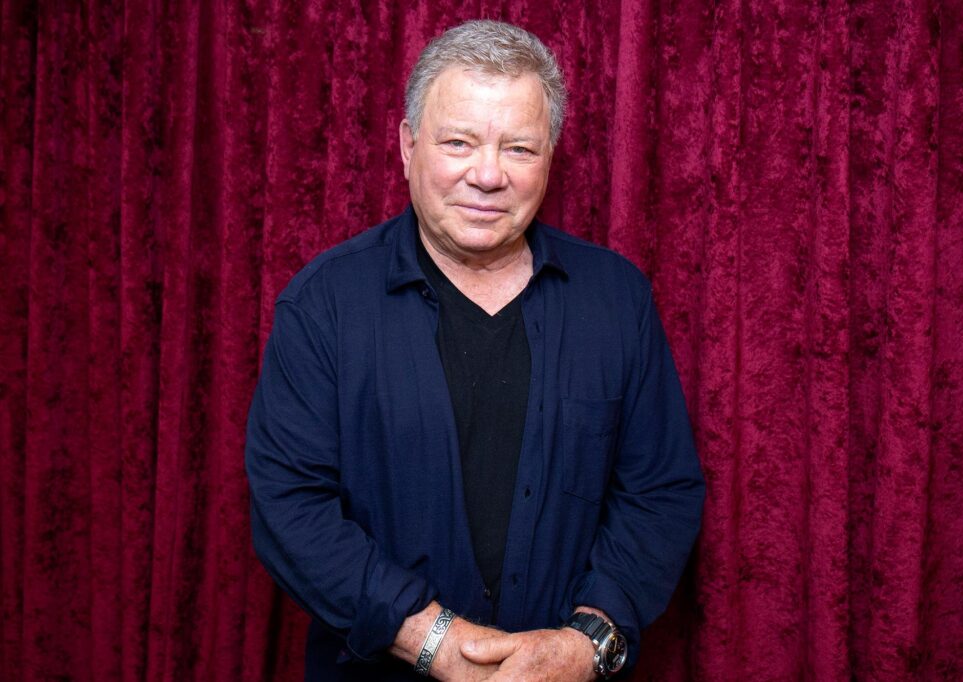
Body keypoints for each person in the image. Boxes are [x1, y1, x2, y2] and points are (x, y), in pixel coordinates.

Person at [245, 19, 705, 681]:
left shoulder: (617, 299)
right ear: (408, 146)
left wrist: (583, 646)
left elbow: (660, 493)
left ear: (550, 156)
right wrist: (437, 644)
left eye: (519, 148)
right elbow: (289, 506)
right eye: (458, 142)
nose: (488, 175)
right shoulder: (323, 305)